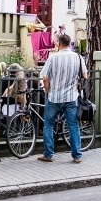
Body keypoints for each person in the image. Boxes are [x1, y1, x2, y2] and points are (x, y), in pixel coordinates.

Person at [38, 34, 88, 162]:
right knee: (73, 126)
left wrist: (48, 91)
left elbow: (45, 77)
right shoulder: (78, 57)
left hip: (54, 97)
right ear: (70, 43)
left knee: (48, 125)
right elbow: (85, 75)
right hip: (71, 97)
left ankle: (48, 154)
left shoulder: (53, 58)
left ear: (59, 44)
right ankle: (77, 156)